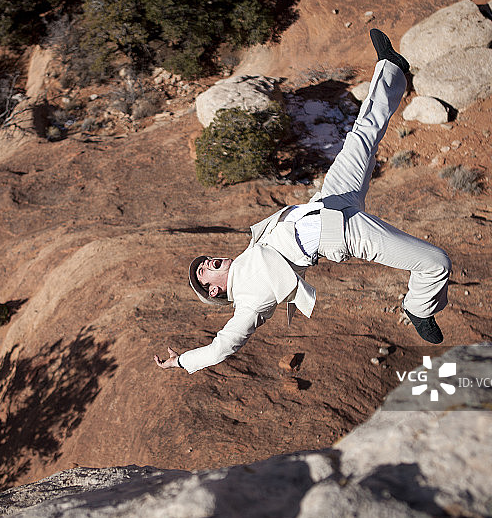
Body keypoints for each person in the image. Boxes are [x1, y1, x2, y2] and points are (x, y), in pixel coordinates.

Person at [155, 30, 451, 374]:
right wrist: (181, 360)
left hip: (328, 200)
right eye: (204, 271)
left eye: (203, 262)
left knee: (361, 135)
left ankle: (391, 67)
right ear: (215, 290)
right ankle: (419, 307)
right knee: (435, 263)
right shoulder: (249, 303)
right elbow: (222, 346)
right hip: (342, 234)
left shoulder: (250, 252)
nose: (207, 262)